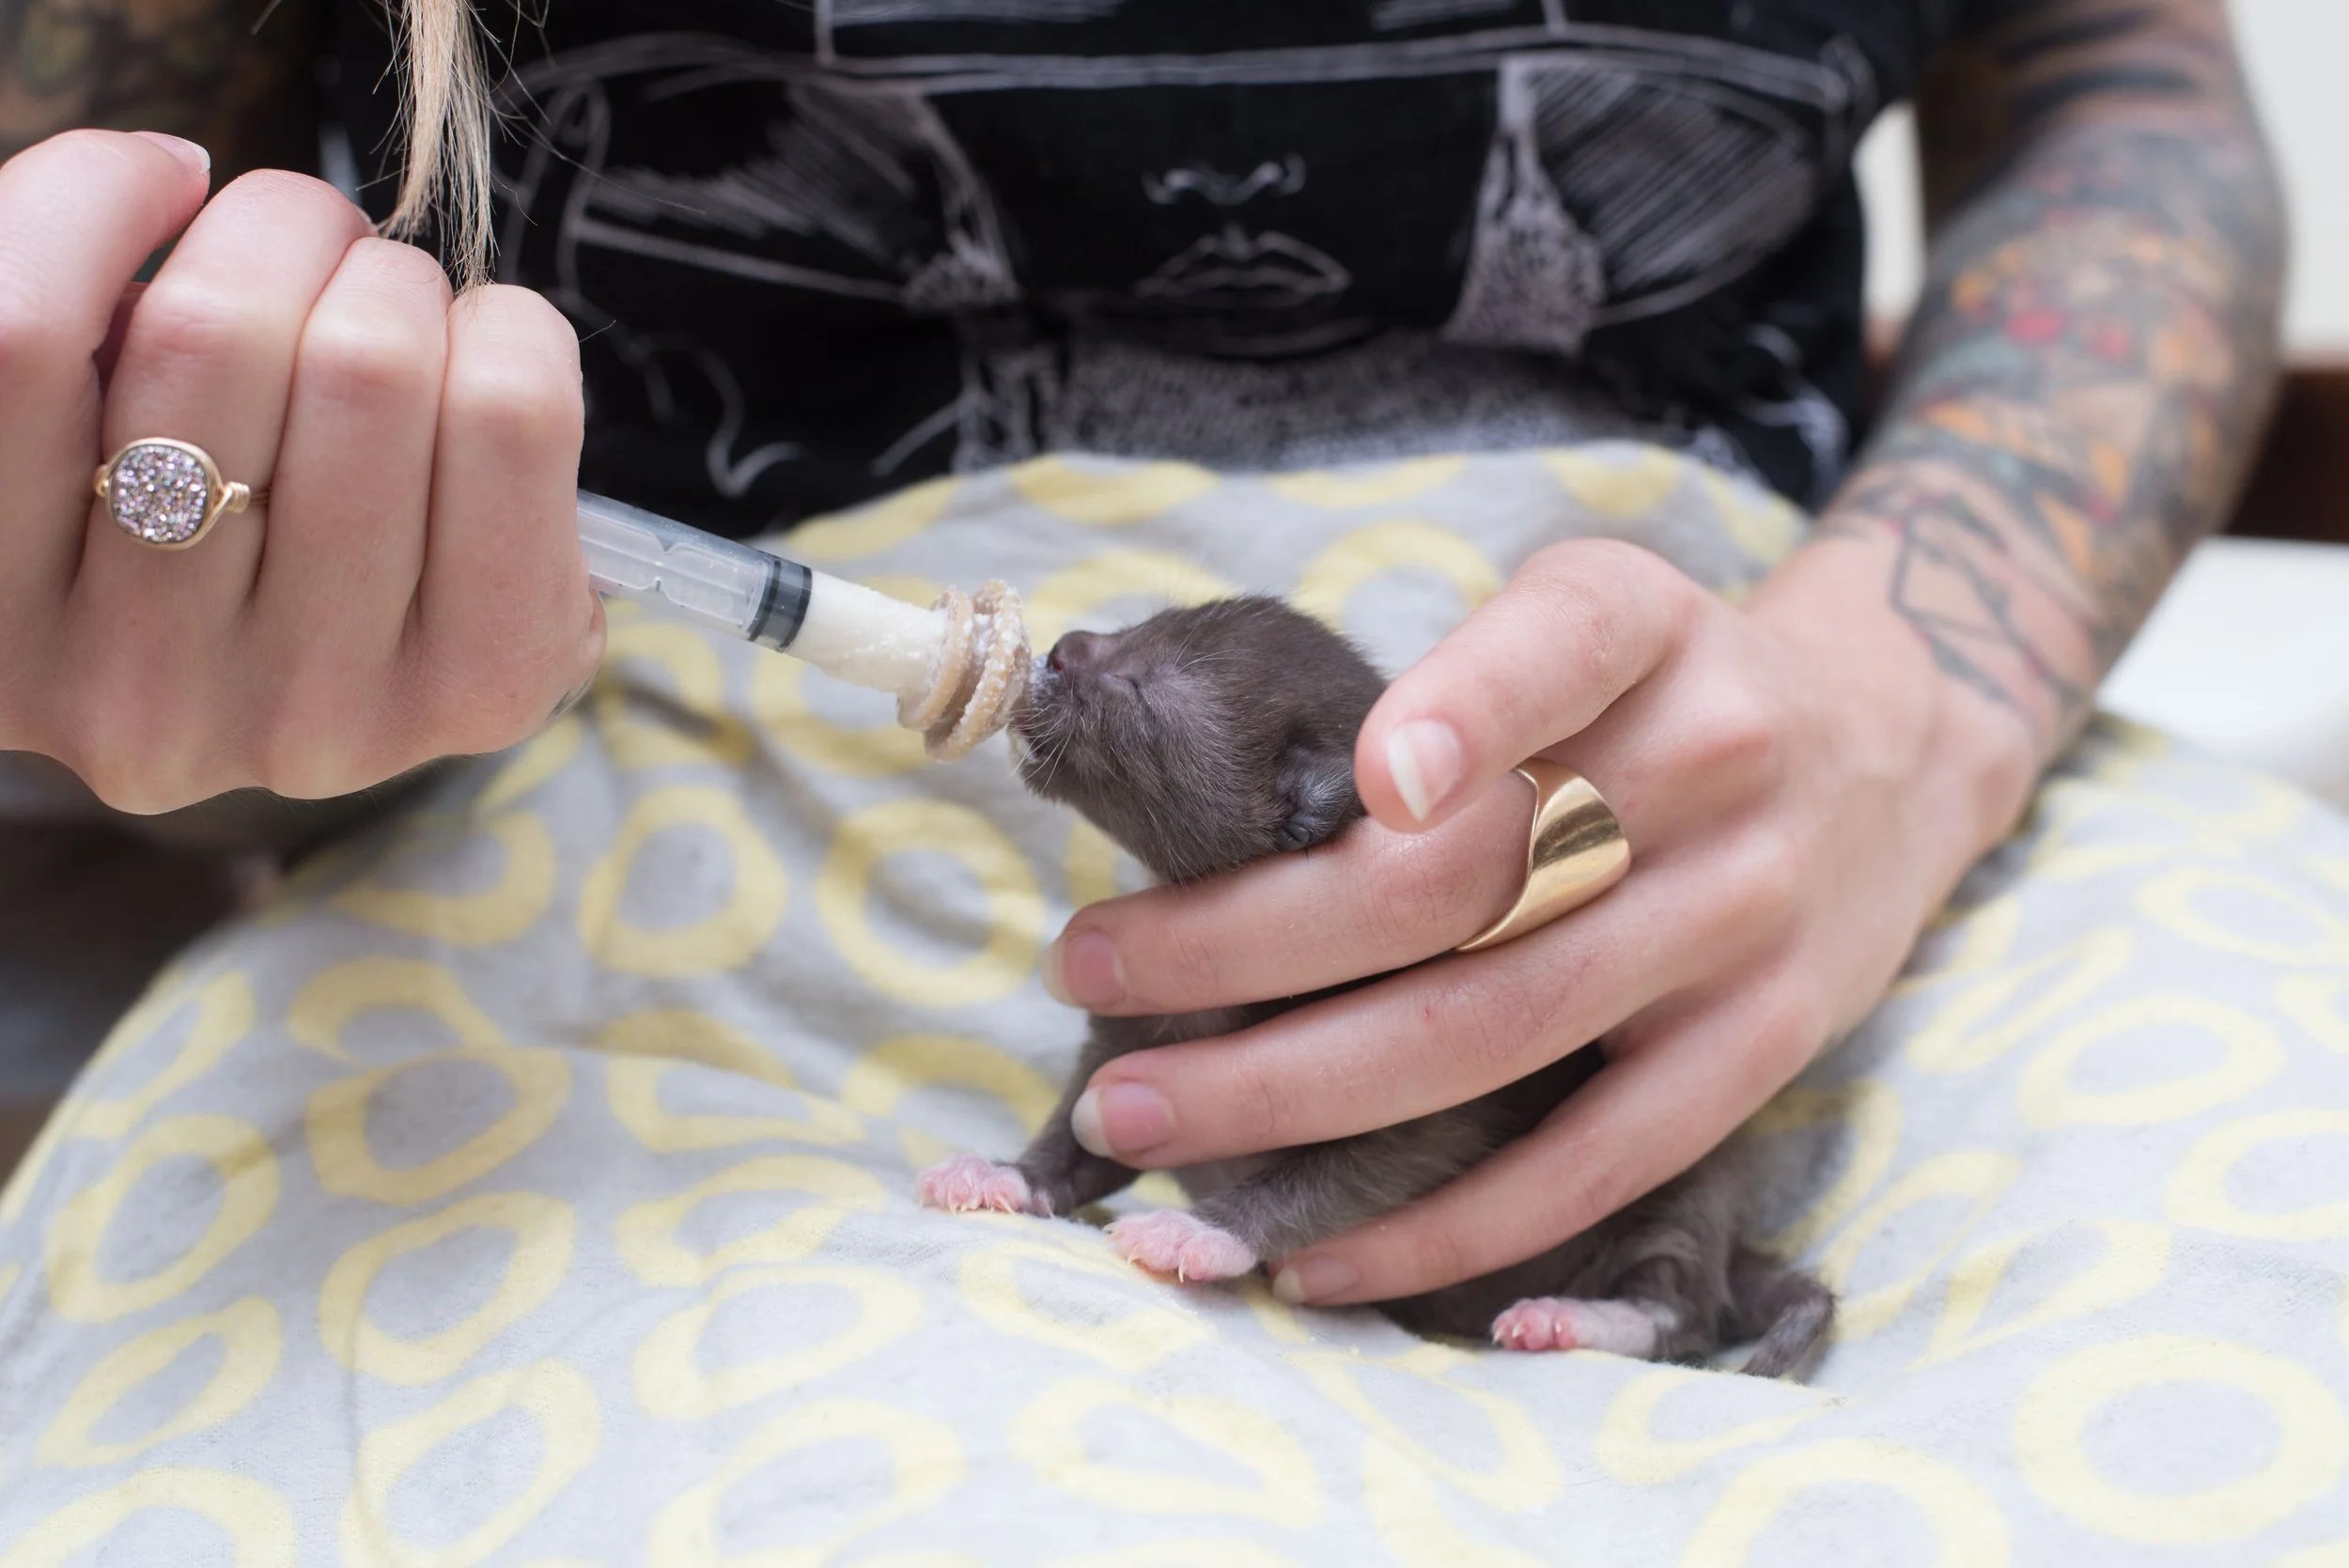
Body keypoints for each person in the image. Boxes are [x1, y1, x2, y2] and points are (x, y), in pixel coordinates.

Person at [0, 0, 2284, 1316]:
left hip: (1805, 810)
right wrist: (172, 587)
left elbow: (2113, 69)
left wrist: (1906, 699)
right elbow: (116, 312)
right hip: (634, 860)